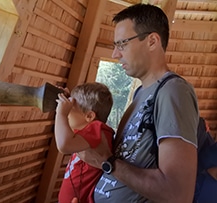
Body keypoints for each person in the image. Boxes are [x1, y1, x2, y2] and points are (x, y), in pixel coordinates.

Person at [75, 3, 199, 203]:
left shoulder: (173, 91)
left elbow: (178, 194)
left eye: (122, 44)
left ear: (152, 41)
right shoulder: (142, 93)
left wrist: (107, 162)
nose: (115, 54)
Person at [55, 82, 115, 203]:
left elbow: (64, 145)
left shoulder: (98, 129)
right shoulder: (85, 135)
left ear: (89, 116)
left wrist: (61, 113)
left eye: (70, 109)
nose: (67, 113)